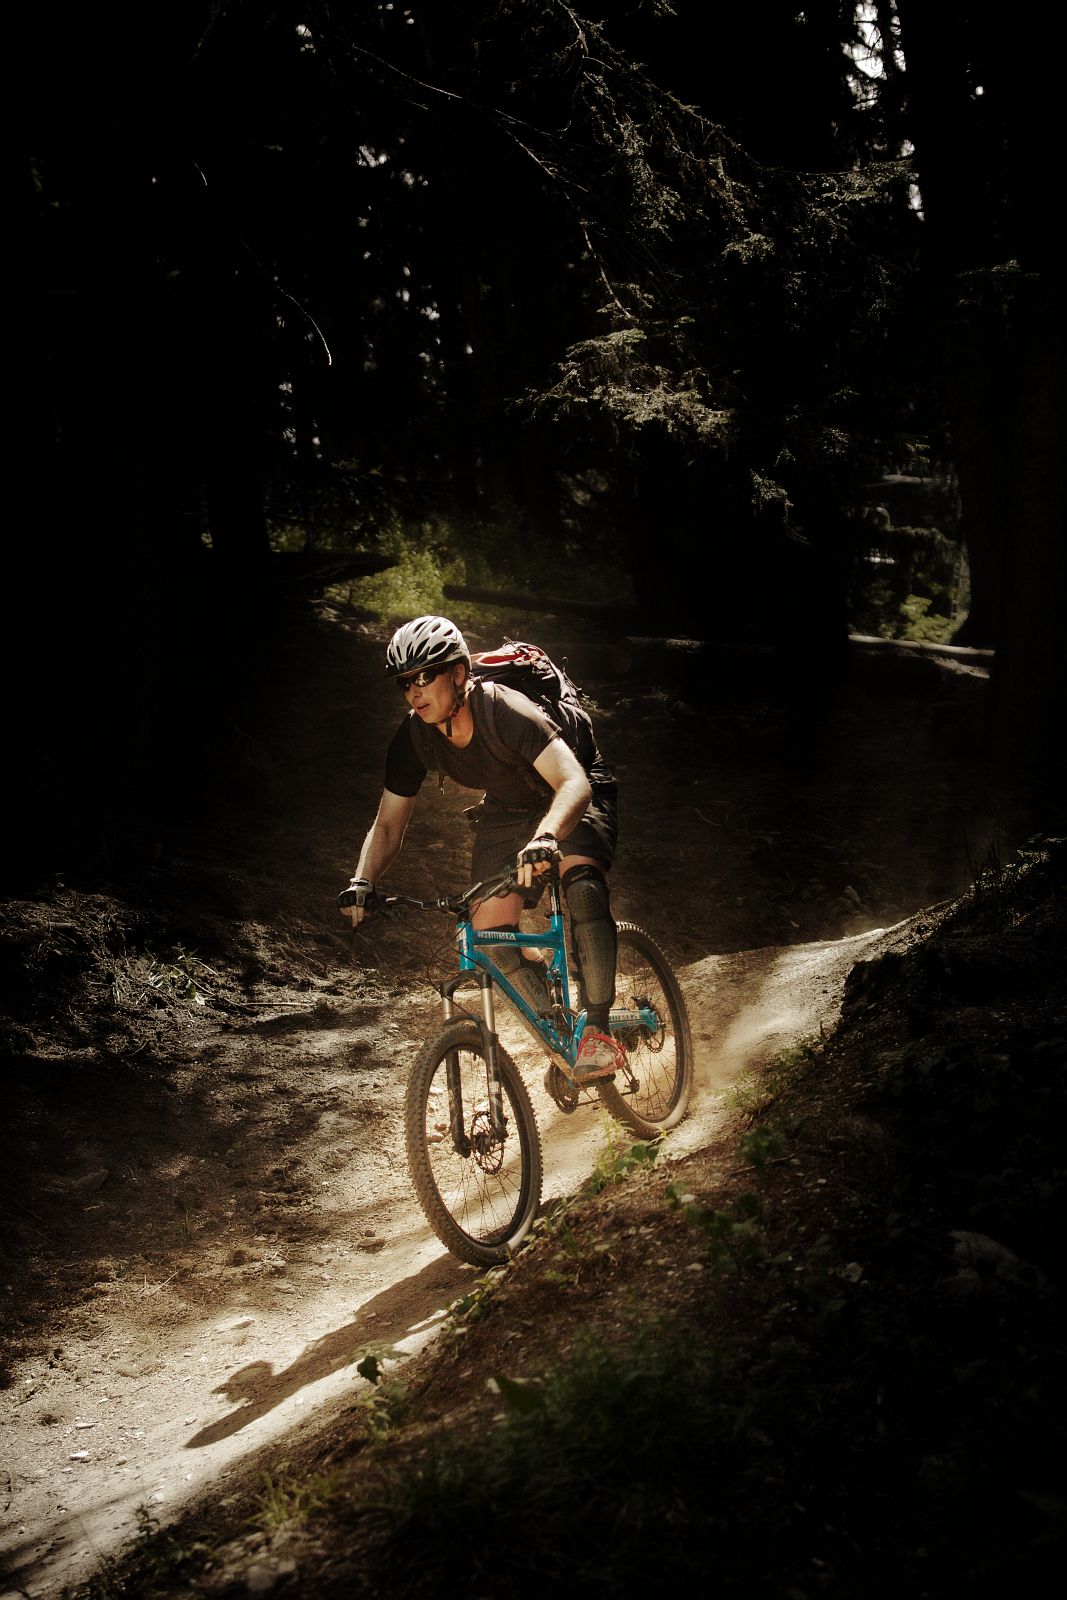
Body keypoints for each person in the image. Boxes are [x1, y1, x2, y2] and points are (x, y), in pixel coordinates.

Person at [339, 614, 624, 1083]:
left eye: (425, 676)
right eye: (405, 681)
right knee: (487, 936)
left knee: (583, 886)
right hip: (509, 805)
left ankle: (597, 1030)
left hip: (572, 786)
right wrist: (362, 881)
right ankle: (561, 1033)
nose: (413, 690)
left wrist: (548, 837)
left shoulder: (504, 710)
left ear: (457, 673)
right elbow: (388, 823)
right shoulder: (413, 737)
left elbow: (572, 783)